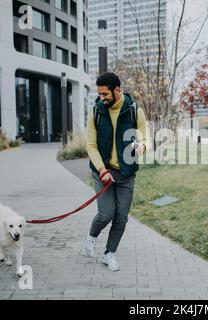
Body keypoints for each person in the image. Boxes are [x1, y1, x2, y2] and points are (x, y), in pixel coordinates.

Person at [83, 72, 147, 271]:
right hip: (103, 171)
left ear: (117, 90)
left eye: (105, 94)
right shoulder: (97, 112)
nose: (101, 98)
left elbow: (144, 137)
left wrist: (143, 146)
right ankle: (91, 237)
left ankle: (109, 254)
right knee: (106, 214)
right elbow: (91, 145)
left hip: (126, 174)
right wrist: (102, 170)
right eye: (99, 94)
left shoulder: (135, 111)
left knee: (121, 217)